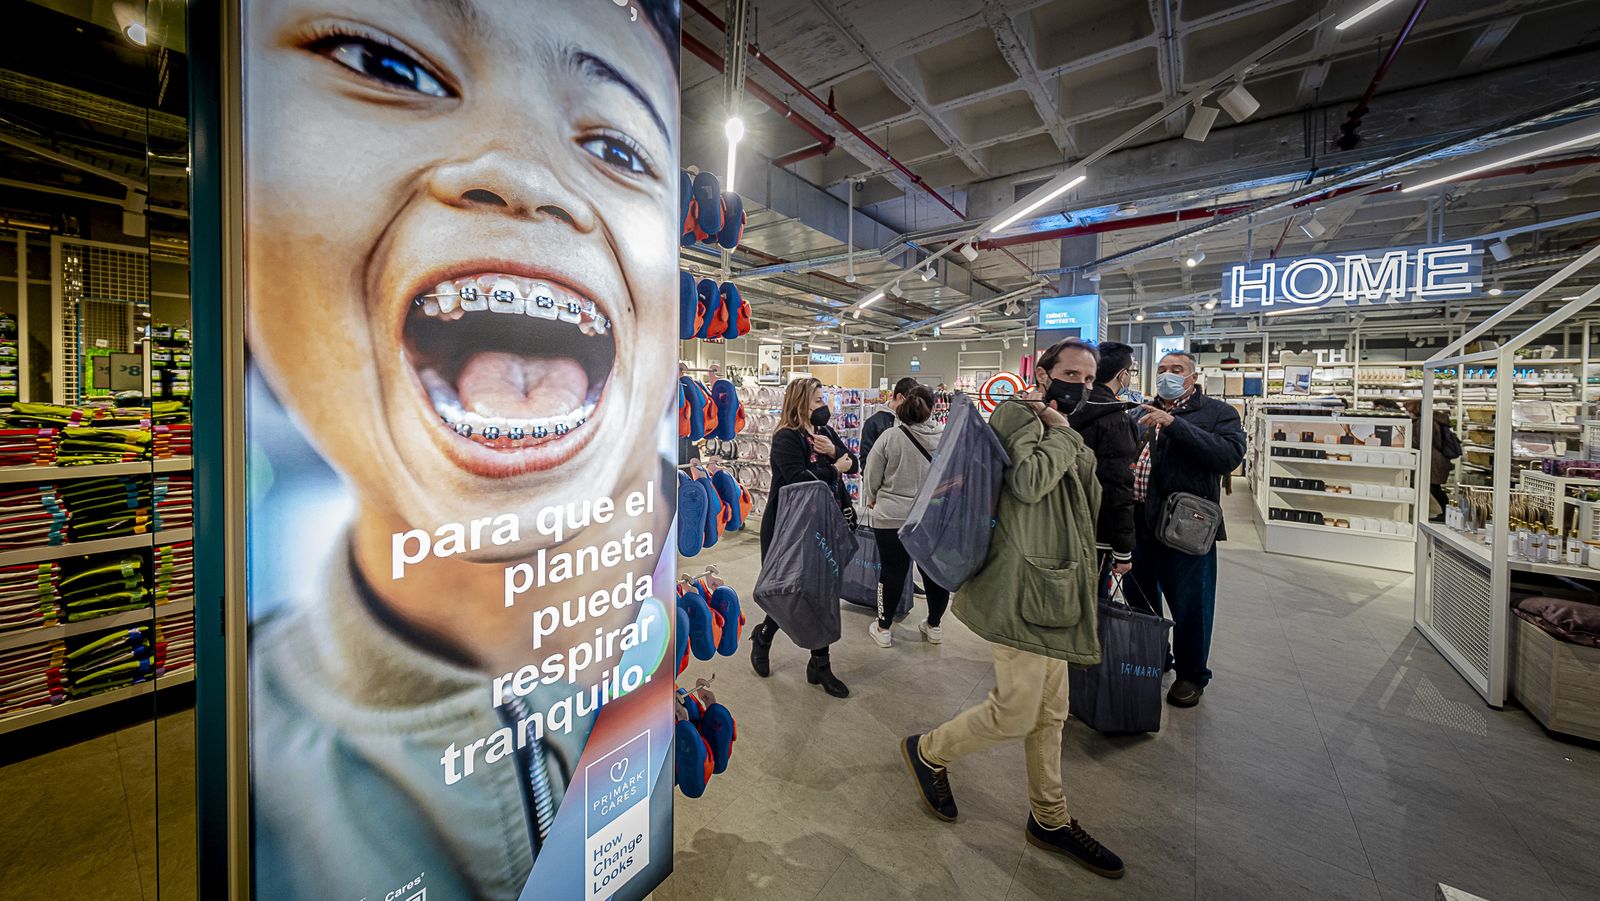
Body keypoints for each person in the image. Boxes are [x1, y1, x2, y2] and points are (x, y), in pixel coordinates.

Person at [243, 2, 683, 899]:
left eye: (621, 148)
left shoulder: (672, 619)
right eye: (388, 65)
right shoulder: (260, 785)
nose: (524, 175)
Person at [900, 391, 1124, 880]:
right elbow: (1027, 482)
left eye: (1087, 377)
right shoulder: (1019, 415)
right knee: (1017, 711)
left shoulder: (1062, 430)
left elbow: (1089, 500)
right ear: (1043, 376)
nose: (1081, 385)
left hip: (1053, 587)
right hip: (1018, 587)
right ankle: (928, 751)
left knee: (1051, 713)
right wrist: (1065, 434)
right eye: (1069, 374)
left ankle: (1050, 817)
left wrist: (1073, 442)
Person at [1129, 351, 1247, 709]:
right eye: (1162, 369)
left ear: (1193, 377)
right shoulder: (1140, 412)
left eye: (1176, 370)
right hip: (1138, 521)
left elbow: (1228, 457)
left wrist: (1175, 425)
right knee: (1140, 598)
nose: (1167, 375)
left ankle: (1191, 674)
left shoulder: (1217, 413)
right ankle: (1155, 654)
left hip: (1187, 525)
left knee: (1190, 602)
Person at [750, 377, 857, 698]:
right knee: (789, 588)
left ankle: (819, 664)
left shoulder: (824, 434)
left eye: (823, 400)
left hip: (825, 524)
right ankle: (765, 635)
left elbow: (853, 461)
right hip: (789, 528)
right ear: (800, 403)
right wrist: (835, 467)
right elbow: (798, 479)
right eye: (817, 401)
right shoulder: (786, 438)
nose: (823, 406)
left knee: (821, 591)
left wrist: (835, 451)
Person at [862, 385, 950, 647]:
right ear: (933, 408)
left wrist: (873, 496)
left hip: (891, 517)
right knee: (933, 573)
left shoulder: (891, 437)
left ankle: (884, 628)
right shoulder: (945, 437)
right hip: (930, 517)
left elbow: (871, 474)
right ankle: (934, 626)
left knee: (892, 571)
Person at [1062, 340, 1140, 581]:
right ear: (1122, 375)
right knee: (1092, 602)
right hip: (1096, 530)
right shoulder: (1116, 419)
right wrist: (1123, 548)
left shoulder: (1061, 408)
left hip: (1059, 521)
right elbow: (1117, 485)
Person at [1402, 398, 1456, 519]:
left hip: (1433, 460)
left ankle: (1445, 512)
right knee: (1433, 487)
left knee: (1433, 488)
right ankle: (1445, 512)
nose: (1407, 412)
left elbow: (1423, 441)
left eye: (1408, 409)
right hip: (1435, 459)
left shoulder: (1425, 422)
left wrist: (1405, 440)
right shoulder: (1429, 420)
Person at [860, 377, 920, 467]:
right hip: (883, 479)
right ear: (900, 397)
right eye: (910, 402)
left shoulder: (913, 420)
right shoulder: (874, 423)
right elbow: (866, 460)